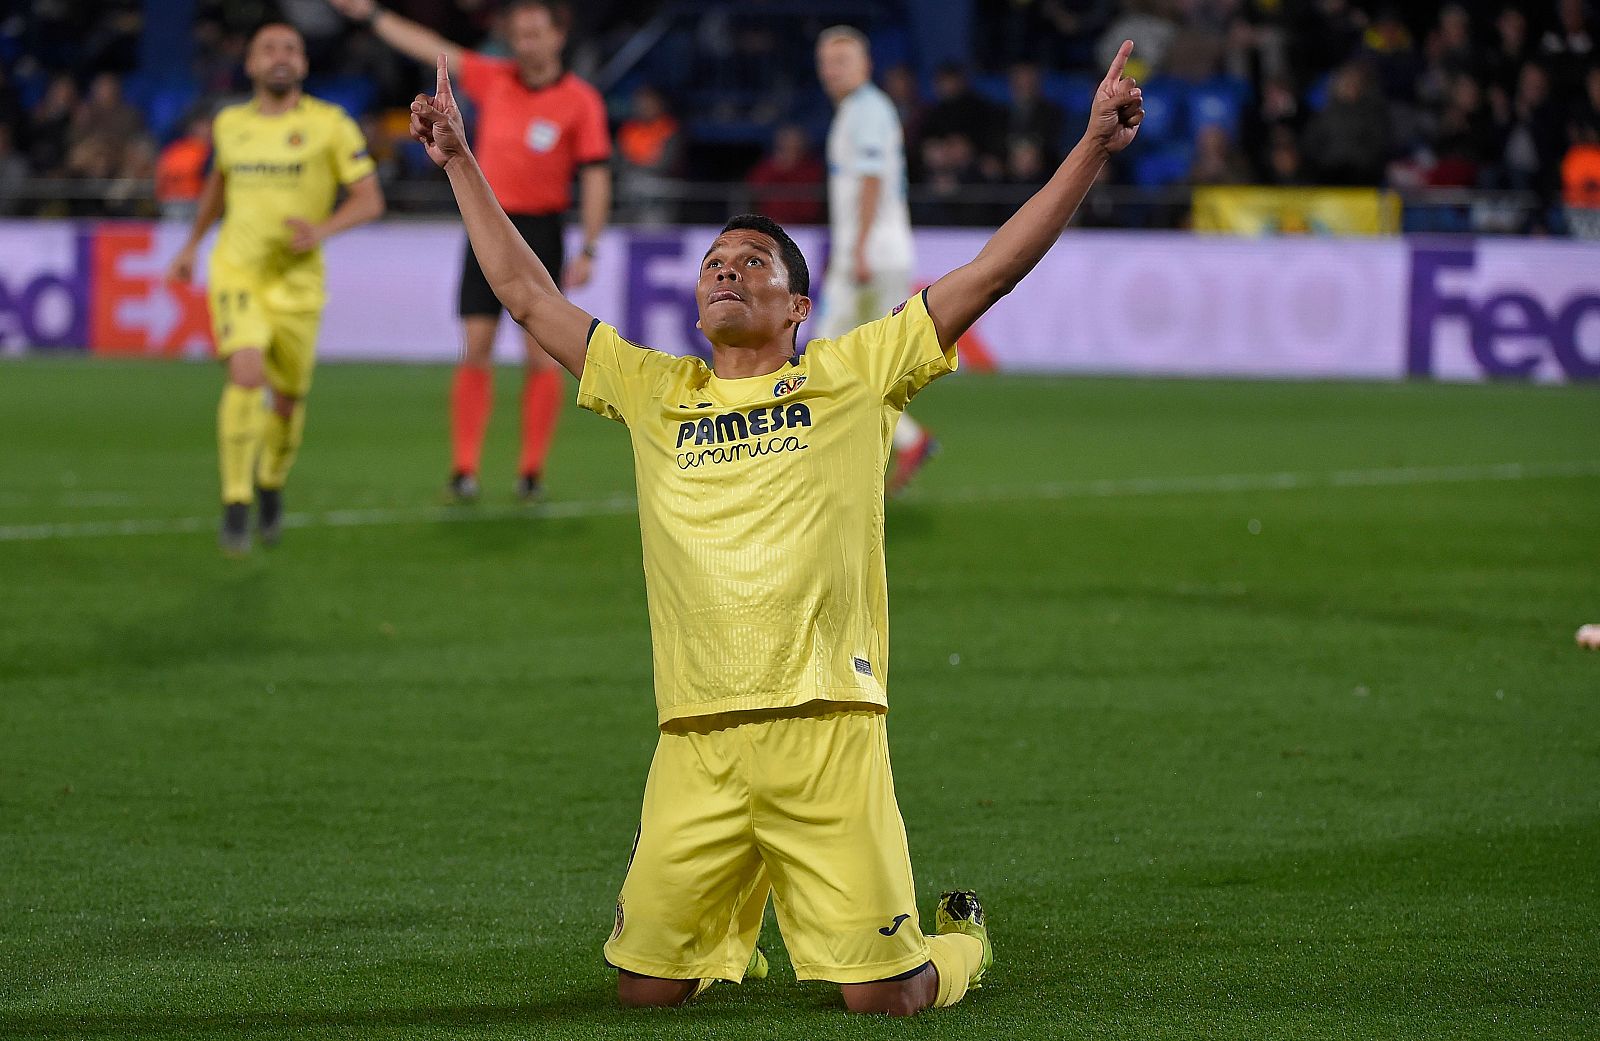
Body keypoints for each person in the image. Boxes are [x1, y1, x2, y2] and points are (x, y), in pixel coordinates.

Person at [408, 36, 1144, 1014]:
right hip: (695, 738)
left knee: (893, 998)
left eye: (750, 261)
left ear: (796, 305)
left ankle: (963, 940)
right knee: (644, 994)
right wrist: (460, 156)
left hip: (827, 731)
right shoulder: (652, 387)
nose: (725, 271)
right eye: (714, 262)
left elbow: (992, 271)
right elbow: (523, 294)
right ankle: (732, 935)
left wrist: (1091, 147)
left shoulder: (854, 373)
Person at [326, 0, 611, 503]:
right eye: (519, 35)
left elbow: (595, 176)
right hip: (486, 222)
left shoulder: (580, 100)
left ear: (557, 37)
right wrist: (371, 16)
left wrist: (589, 244)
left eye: (535, 34)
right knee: (475, 347)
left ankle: (530, 472)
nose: (526, 44)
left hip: (541, 231)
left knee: (542, 354)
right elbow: (430, 47)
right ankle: (464, 469)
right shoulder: (491, 76)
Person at [166, 23, 385, 555]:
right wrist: (192, 244)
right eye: (268, 49)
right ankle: (236, 502)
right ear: (251, 64)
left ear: (304, 64)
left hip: (298, 282)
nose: (280, 57)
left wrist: (322, 230)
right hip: (238, 271)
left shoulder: (330, 125)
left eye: (290, 49)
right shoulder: (229, 124)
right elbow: (219, 187)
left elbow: (369, 199)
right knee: (245, 372)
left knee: (287, 400)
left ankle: (271, 479)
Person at [814, 26, 937, 497]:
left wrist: (858, 248)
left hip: (871, 255)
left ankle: (840, 462)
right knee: (860, 364)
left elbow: (870, 183)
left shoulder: (865, 111)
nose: (832, 70)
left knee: (825, 359)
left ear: (865, 66)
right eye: (826, 61)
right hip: (877, 253)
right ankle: (904, 441)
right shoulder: (861, 110)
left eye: (842, 60)